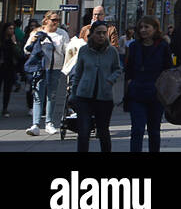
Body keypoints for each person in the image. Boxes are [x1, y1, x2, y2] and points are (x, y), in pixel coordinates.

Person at [68, 21, 120, 153]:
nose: (102, 36)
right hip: (84, 96)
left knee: (103, 132)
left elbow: (118, 69)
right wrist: (73, 94)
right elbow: (78, 73)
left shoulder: (112, 51)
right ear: (92, 34)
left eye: (104, 33)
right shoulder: (84, 50)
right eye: (98, 33)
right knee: (84, 132)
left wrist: (110, 79)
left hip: (104, 97)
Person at [123, 16, 170, 153]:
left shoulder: (162, 46)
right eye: (141, 27)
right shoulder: (134, 46)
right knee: (137, 129)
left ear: (155, 29)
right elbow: (129, 70)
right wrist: (129, 87)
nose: (143, 30)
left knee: (154, 130)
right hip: (137, 94)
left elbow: (168, 70)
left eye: (147, 27)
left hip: (155, 95)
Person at [25, 11, 69, 136]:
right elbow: (26, 50)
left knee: (52, 96)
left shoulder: (62, 33)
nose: (56, 22)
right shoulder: (37, 32)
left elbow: (66, 50)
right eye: (54, 20)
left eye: (58, 20)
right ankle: (36, 124)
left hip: (55, 68)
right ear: (46, 20)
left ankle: (49, 123)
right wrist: (33, 41)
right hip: (40, 69)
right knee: (38, 95)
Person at [1, 22, 21, 117]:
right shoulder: (2, 40)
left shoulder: (13, 40)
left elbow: (19, 54)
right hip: (1, 66)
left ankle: (5, 108)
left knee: (7, 89)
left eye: (13, 29)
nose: (12, 31)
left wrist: (15, 43)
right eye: (10, 28)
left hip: (9, 67)